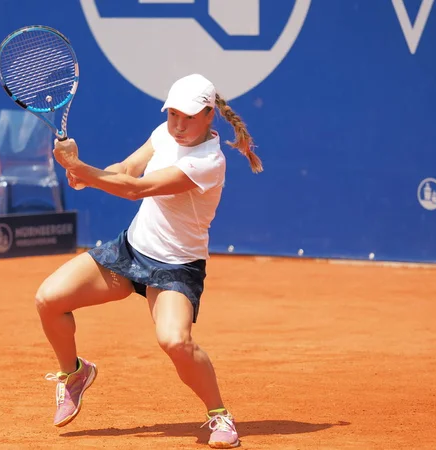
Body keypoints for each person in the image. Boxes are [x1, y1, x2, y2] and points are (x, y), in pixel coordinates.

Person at [36, 73, 263, 448]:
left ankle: (218, 415)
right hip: (131, 251)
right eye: (172, 114)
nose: (178, 125)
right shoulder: (164, 133)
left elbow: (136, 190)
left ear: (209, 115)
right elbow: (127, 171)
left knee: (175, 341)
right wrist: (84, 173)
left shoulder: (209, 161)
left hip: (176, 268)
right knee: (48, 299)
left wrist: (84, 171)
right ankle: (73, 374)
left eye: (188, 117)